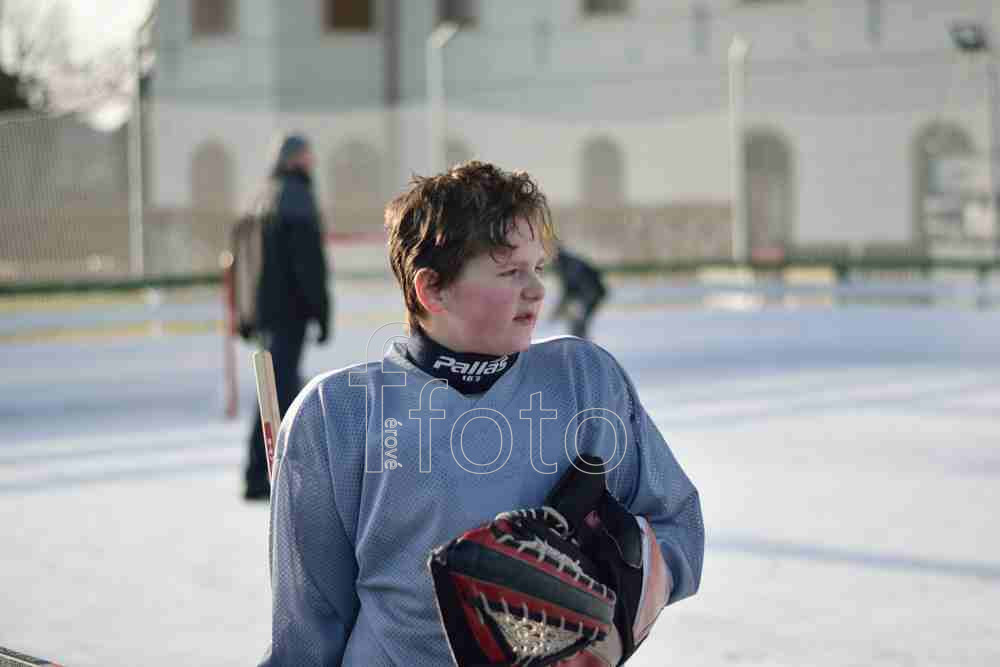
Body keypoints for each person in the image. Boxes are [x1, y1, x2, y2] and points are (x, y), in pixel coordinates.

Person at [258, 162, 703, 665]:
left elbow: (678, 527)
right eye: (509, 270)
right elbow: (306, 631)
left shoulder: (586, 380)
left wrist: (620, 573)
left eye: (537, 266)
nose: (537, 289)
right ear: (433, 290)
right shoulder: (335, 412)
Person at [243, 133, 331, 501]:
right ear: (295, 160)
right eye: (308, 157)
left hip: (268, 313)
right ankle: (263, 476)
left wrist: (250, 313)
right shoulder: (296, 197)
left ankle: (276, 472)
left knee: (278, 388)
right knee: (279, 391)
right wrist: (321, 310)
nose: (313, 164)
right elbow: (308, 263)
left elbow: (249, 259)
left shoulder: (266, 194)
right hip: (288, 313)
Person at [550, 243, 608, 339]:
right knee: (578, 320)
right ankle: (579, 339)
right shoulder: (568, 261)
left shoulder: (568, 265)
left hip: (592, 293)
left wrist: (559, 308)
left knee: (579, 320)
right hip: (589, 292)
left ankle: (580, 341)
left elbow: (569, 288)